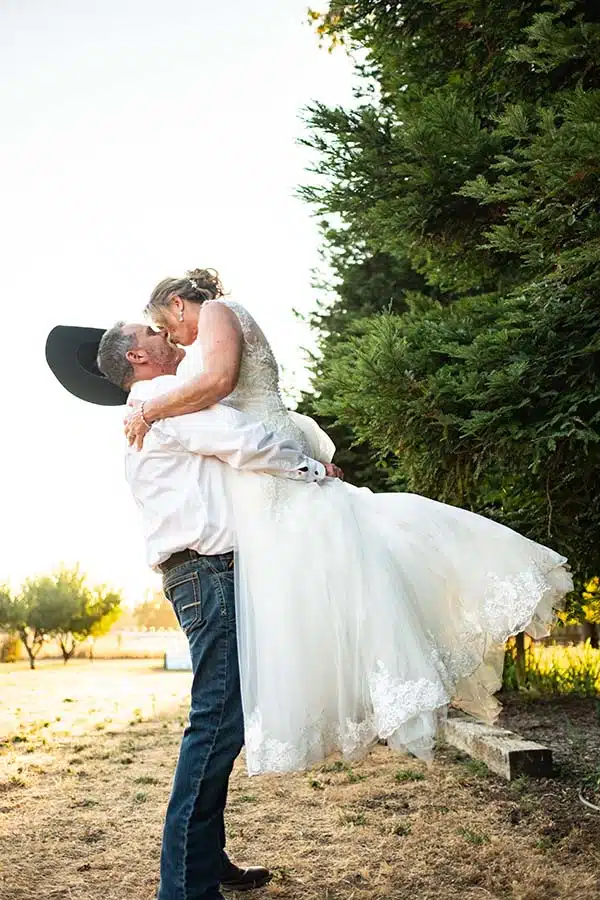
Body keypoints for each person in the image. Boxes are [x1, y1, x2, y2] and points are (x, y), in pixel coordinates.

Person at [124, 267, 573, 774]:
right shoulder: (201, 336)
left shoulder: (217, 312)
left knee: (349, 560)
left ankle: (393, 673)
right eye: (162, 333)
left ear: (179, 303)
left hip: (271, 473)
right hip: (258, 484)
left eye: (168, 325)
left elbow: (220, 382)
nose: (173, 338)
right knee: (309, 590)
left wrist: (151, 409)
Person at [96, 321, 338, 900]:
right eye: (151, 331)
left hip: (201, 575)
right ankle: (184, 886)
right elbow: (244, 442)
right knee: (215, 725)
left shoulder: (157, 405)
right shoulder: (162, 398)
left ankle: (205, 859)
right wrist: (313, 470)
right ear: (138, 355)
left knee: (220, 725)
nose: (165, 333)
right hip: (209, 574)